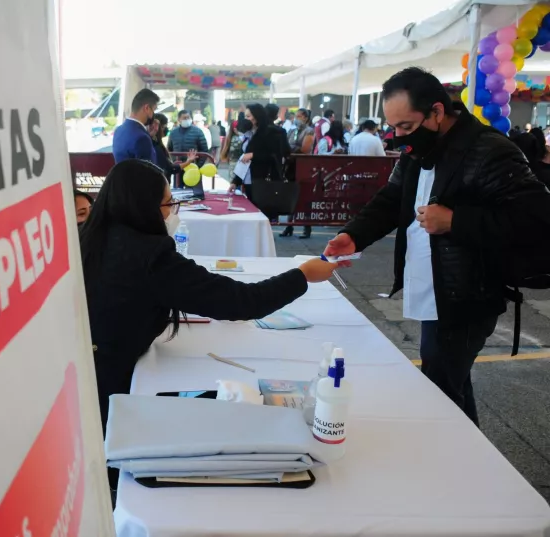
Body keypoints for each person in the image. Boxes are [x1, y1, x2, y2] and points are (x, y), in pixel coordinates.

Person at [324, 67, 550, 425]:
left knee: (440, 390)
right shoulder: (420, 148)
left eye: (407, 127)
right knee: (449, 384)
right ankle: (475, 468)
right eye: (394, 127)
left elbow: (537, 219)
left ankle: (455, 471)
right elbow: (392, 198)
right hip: (435, 289)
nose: (398, 137)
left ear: (437, 112)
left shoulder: (489, 150)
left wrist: (455, 221)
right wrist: (355, 234)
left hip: (467, 295)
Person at [80, 158, 339, 436]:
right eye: (168, 204)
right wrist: (303, 274)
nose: (172, 214)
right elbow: (243, 301)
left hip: (85, 375)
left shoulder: (88, 237)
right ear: (144, 207)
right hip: (113, 389)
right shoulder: (150, 256)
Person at [235, 103, 286, 203]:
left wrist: (254, 155)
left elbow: (275, 155)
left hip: (264, 179)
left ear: (257, 117)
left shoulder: (272, 132)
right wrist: (236, 181)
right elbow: (244, 157)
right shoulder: (248, 133)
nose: (246, 119)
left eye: (248, 116)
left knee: (264, 210)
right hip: (248, 179)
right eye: (245, 116)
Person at [282, 108, 315, 238]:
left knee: (304, 197)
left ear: (306, 118)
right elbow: (285, 146)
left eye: (300, 116)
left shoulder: (309, 131)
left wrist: (292, 150)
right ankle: (289, 226)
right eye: (296, 116)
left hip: (304, 167)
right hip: (291, 167)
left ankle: (307, 227)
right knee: (291, 197)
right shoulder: (292, 130)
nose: (297, 119)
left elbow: (306, 149)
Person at [112, 88, 160, 164]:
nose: (153, 115)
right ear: (147, 108)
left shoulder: (118, 130)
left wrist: (149, 136)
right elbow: (149, 173)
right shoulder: (142, 138)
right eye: (153, 110)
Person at [149, 113, 197, 182]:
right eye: (164, 127)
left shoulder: (155, 143)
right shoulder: (156, 146)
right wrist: (188, 162)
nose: (166, 130)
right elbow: (171, 168)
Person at [221, 118, 252, 185]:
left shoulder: (230, 138)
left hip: (232, 163)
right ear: (235, 129)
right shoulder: (238, 138)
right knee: (236, 185)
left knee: (233, 183)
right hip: (238, 163)